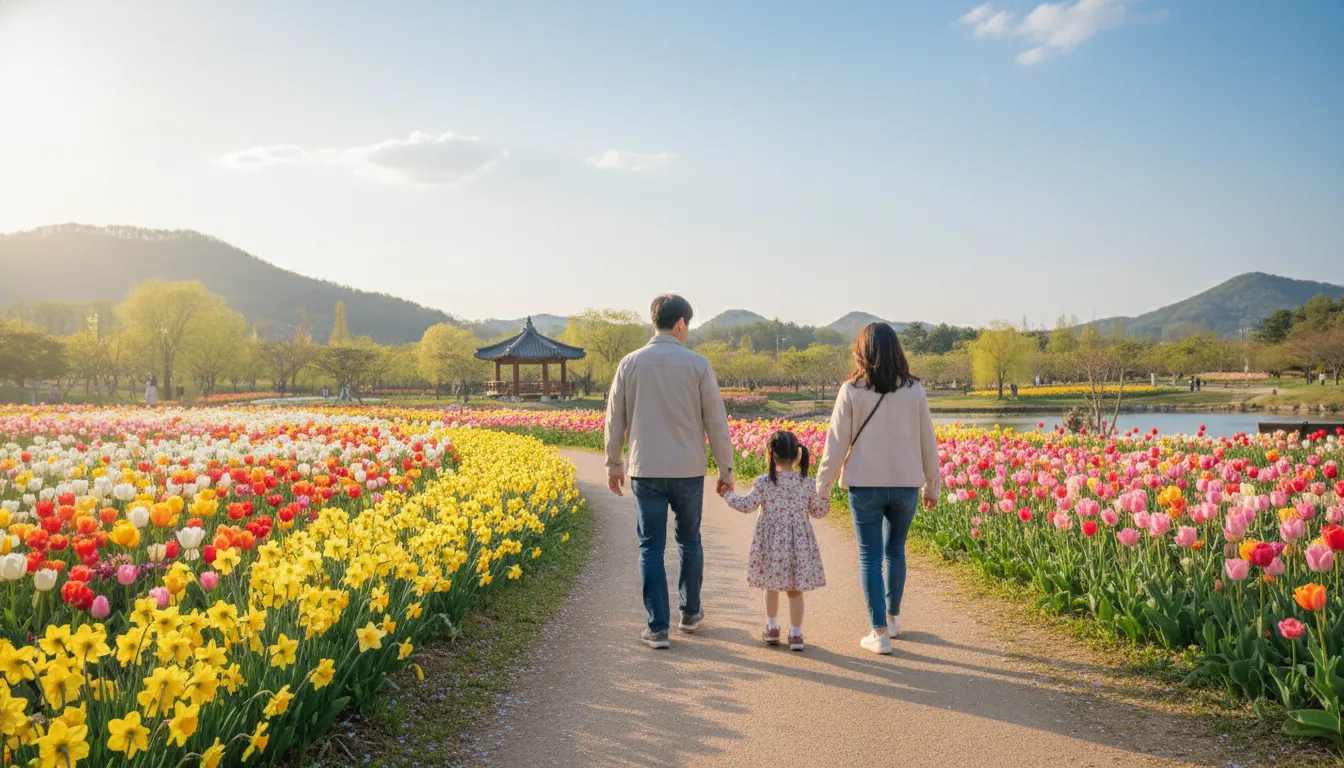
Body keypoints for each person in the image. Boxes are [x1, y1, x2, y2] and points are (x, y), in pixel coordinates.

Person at [605, 294, 735, 650]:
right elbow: (716, 423)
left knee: (650, 547)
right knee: (689, 540)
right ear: (680, 323)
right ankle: (690, 614)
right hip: (688, 470)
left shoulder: (630, 363)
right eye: (688, 324)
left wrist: (614, 464)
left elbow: (615, 419)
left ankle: (657, 628)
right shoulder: (698, 365)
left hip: (645, 469)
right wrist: (726, 470)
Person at [815, 323, 940, 655]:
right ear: (897, 350)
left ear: (862, 351)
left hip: (865, 485)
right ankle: (893, 619)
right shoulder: (913, 390)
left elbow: (835, 443)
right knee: (895, 551)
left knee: (870, 557)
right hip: (906, 485)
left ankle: (879, 632)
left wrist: (822, 489)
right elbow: (928, 442)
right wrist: (933, 487)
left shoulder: (852, 390)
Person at [720, 430, 830, 651]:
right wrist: (825, 498)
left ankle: (772, 628)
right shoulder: (807, 483)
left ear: (770, 454)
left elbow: (747, 505)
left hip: (772, 546)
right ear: (798, 454)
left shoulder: (764, 482)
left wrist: (727, 495)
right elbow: (818, 511)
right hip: (799, 545)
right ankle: (796, 634)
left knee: (770, 586)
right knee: (795, 591)